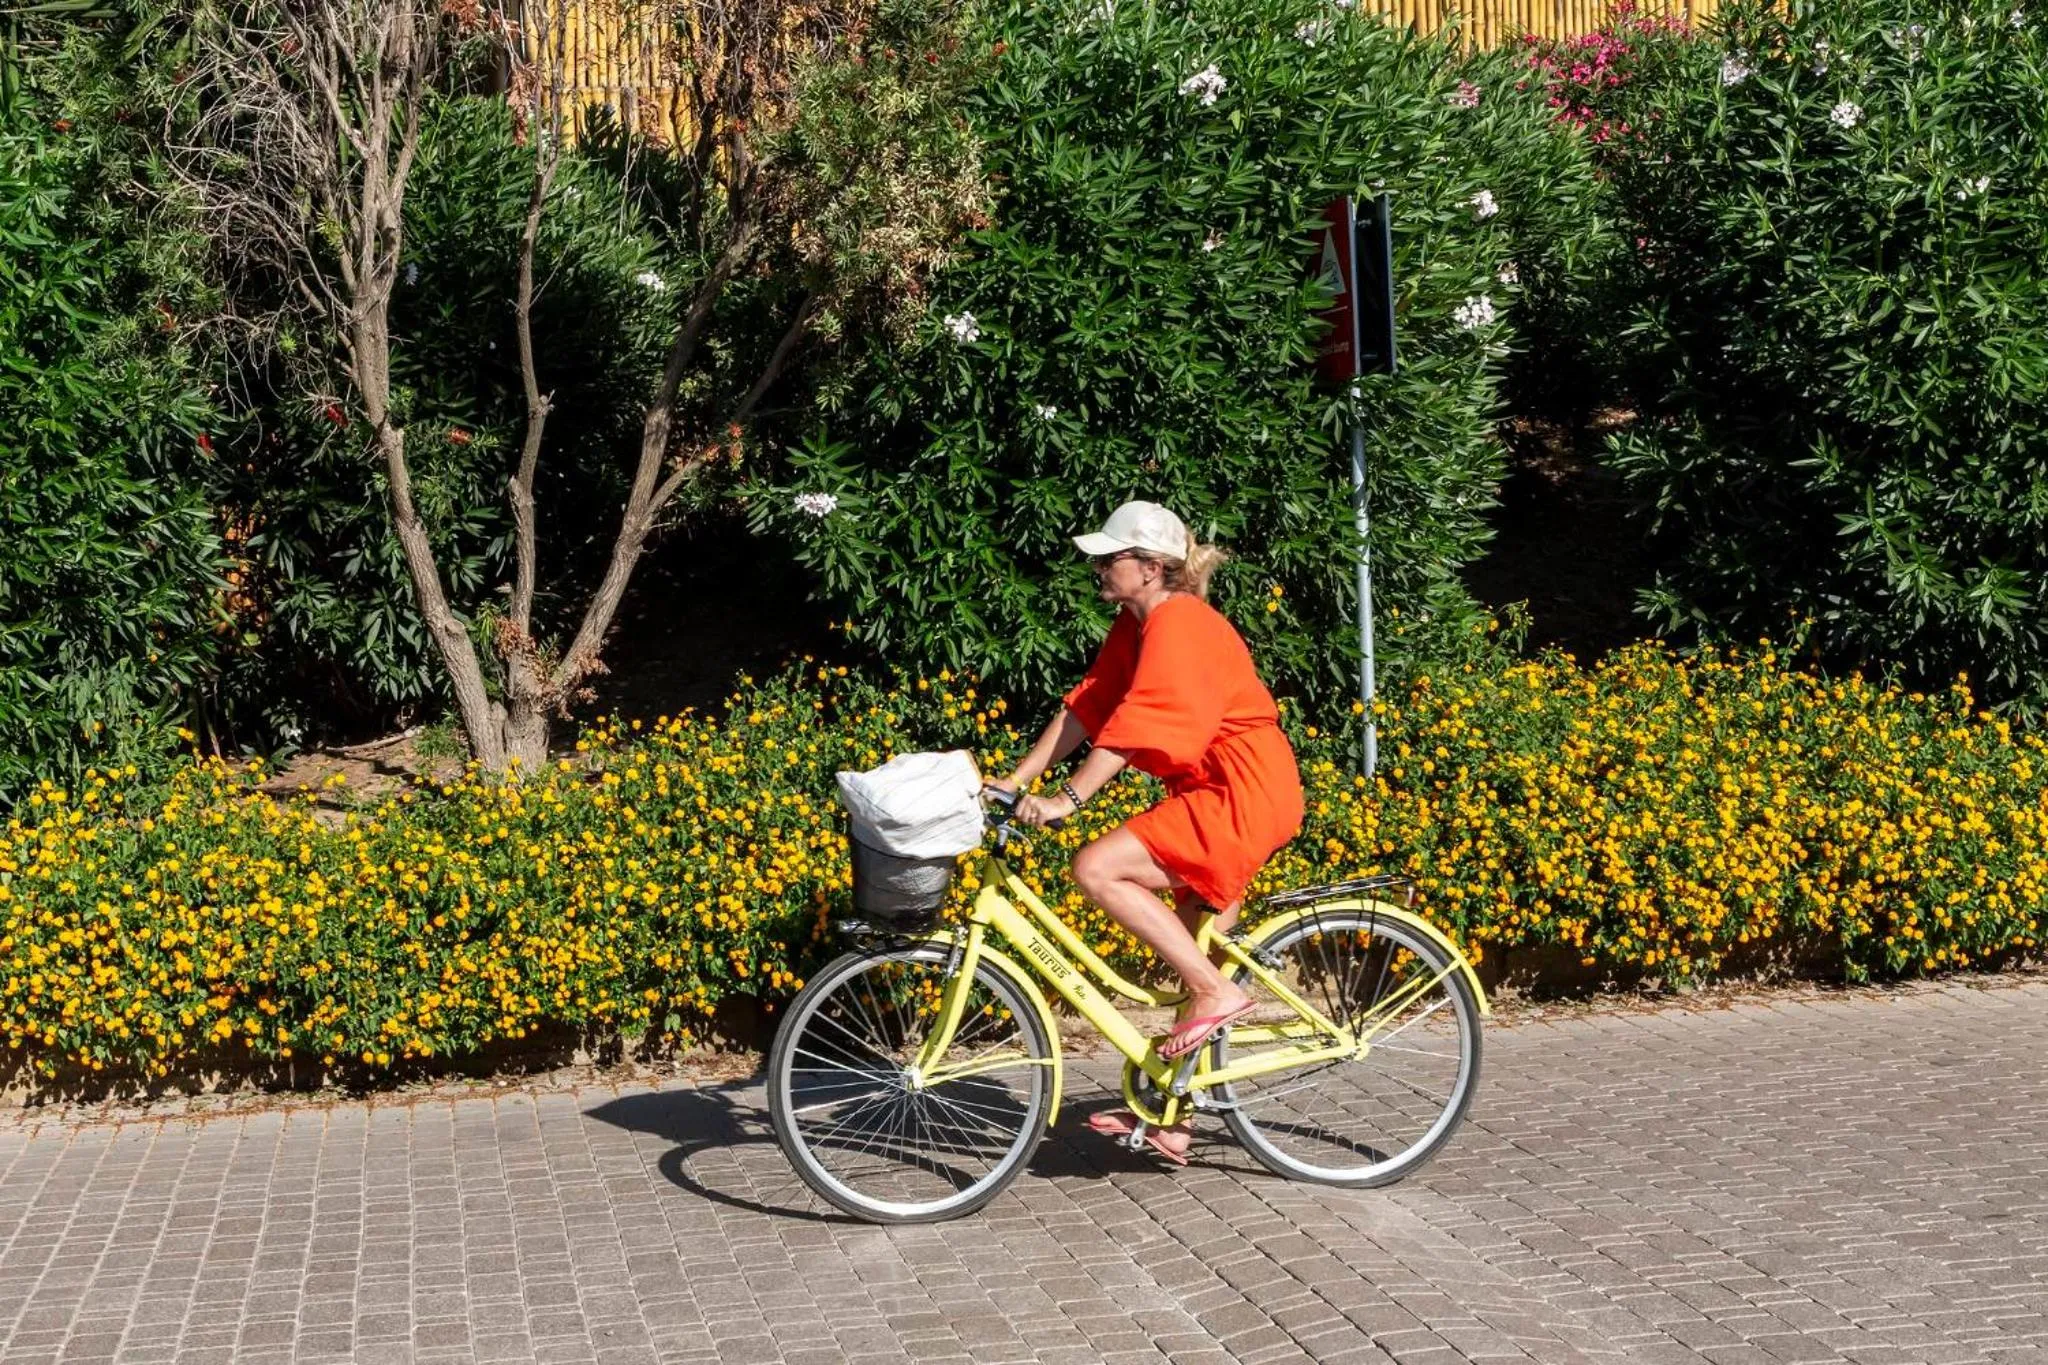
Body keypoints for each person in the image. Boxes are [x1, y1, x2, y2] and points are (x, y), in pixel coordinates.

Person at [986, 500, 1305, 1165]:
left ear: (1152, 567)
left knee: (1097, 867)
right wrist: (1018, 780)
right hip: (1216, 791)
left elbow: (1144, 721)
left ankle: (1222, 995)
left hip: (1239, 791)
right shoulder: (1133, 626)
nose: (1099, 566)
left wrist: (1068, 798)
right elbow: (1091, 704)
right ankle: (1175, 1121)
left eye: (1112, 557)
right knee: (1194, 951)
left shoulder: (1181, 624)